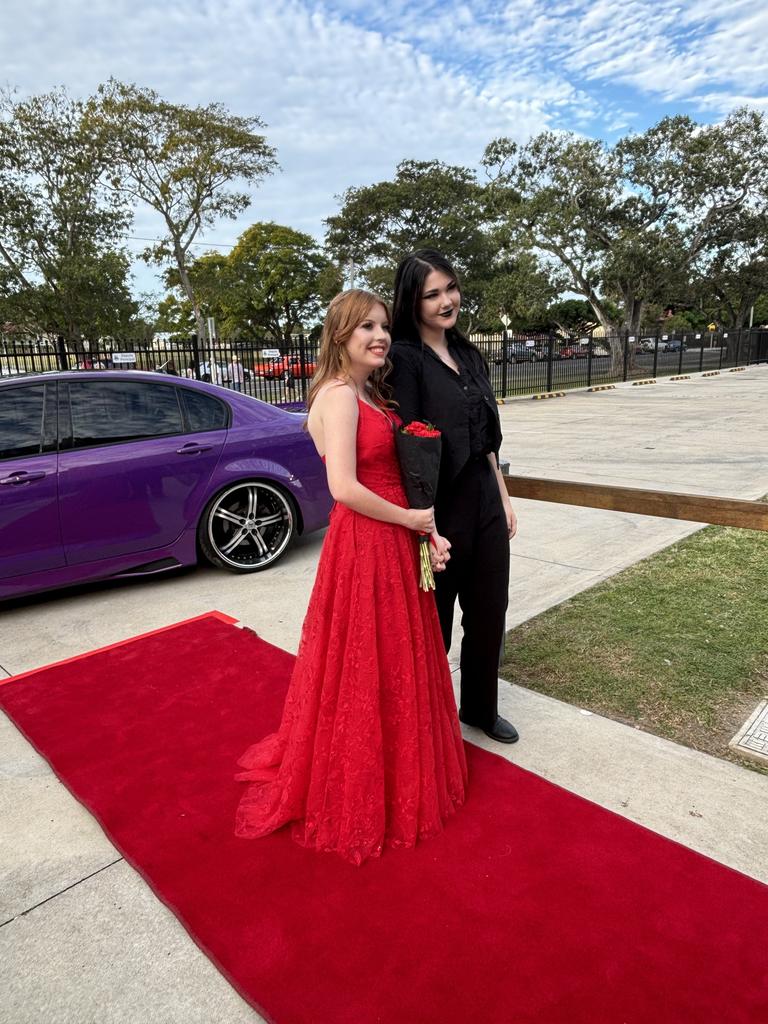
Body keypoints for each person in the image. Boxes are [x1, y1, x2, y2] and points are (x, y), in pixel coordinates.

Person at [235, 289, 467, 865]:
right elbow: (343, 487)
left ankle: (396, 763)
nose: (379, 335)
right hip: (364, 542)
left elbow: (394, 477)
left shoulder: (371, 395)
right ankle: (366, 780)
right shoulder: (339, 397)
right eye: (365, 326)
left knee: (394, 659)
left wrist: (425, 532)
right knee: (366, 661)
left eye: (384, 325)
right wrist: (413, 519)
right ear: (339, 334)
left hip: (393, 537)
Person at [388, 250, 519, 744]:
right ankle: (427, 720)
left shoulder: (468, 353)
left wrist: (503, 496)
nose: (447, 301)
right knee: (434, 623)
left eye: (450, 288)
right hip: (439, 504)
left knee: (490, 610)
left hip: (484, 496)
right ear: (413, 302)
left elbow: (486, 438)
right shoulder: (404, 359)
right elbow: (411, 445)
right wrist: (427, 524)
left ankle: (480, 709)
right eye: (432, 294)